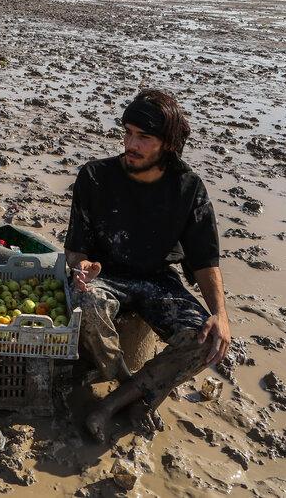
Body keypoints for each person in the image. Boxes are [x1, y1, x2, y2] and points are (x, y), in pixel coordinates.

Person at [64, 89, 230, 442]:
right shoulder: (95, 176)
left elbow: (204, 260)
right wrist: (81, 267)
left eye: (144, 137)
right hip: (105, 274)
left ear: (168, 144)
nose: (131, 144)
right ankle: (132, 386)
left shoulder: (188, 188)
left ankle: (110, 404)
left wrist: (220, 314)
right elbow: (76, 249)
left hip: (157, 278)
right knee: (83, 301)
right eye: (127, 133)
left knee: (205, 339)